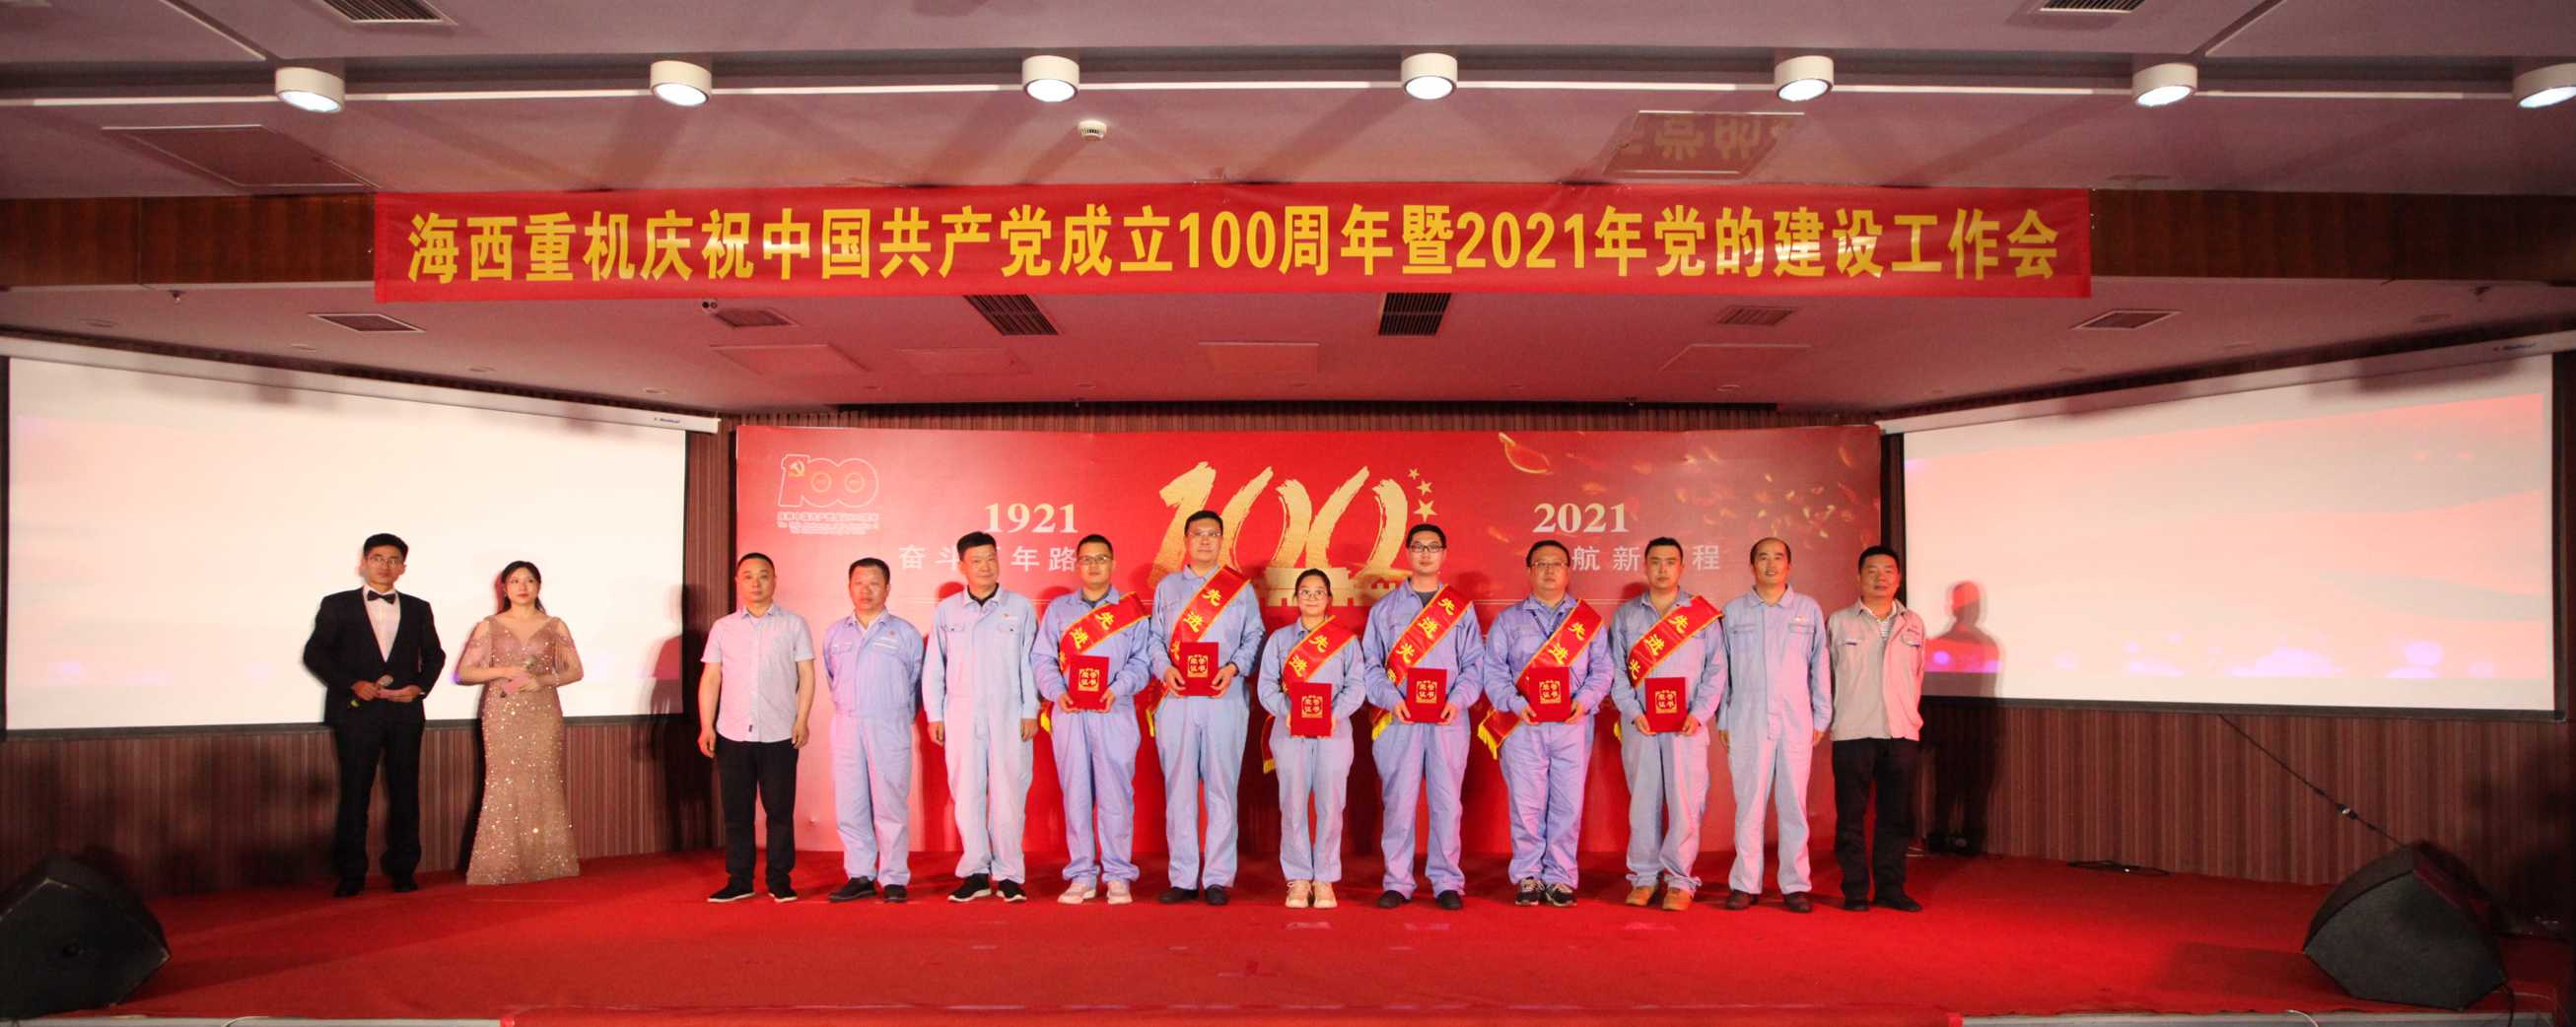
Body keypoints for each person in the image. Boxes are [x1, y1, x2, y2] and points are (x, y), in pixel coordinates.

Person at [302, 532, 446, 898]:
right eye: (378, 558)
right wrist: (352, 683)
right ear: (364, 563)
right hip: (356, 714)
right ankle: (351, 874)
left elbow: (435, 655)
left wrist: (419, 687)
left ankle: (404, 871)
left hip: (404, 712)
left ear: (403, 568)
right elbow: (315, 653)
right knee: (354, 794)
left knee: (405, 793)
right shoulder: (337, 604)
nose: (385, 565)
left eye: (393, 560)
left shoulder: (419, 607)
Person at [1358, 523, 1491, 911]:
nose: (1426, 553)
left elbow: (1475, 664)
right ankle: (1397, 881)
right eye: (1418, 546)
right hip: (1399, 718)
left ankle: (1447, 880)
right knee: (1399, 802)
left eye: (1433, 547)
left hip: (1448, 718)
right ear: (1408, 553)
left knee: (1447, 802)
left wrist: (1459, 700)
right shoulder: (1385, 609)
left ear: (1444, 553)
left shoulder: (1460, 608)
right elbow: (1370, 665)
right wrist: (1390, 698)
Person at [1480, 539, 1613, 908]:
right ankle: (1529, 875)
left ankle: (1560, 876)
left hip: (1572, 724)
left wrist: (1584, 701)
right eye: (1541, 564)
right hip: (1524, 725)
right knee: (1527, 805)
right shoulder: (1509, 620)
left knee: (1568, 805)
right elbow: (1493, 671)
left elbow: (1603, 669)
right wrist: (1515, 703)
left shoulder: (1588, 622)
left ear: (1569, 570)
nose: (1550, 570)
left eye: (1557, 564)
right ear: (1529, 571)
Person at [1145, 511, 1265, 906]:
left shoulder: (1238, 588)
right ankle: (1183, 876)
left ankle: (1216, 876)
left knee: (1221, 789)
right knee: (1179, 789)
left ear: (1222, 541)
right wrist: (1164, 669)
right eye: (1198, 533)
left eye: (1213, 534)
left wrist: (1235, 668)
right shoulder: (1167, 587)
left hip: (1223, 697)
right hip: (1177, 699)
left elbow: (1254, 635)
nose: (1205, 540)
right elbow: (1153, 639)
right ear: (1185, 540)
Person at [1030, 534, 1153, 905]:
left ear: (1113, 563)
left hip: (1114, 711)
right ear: (1077, 565)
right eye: (1086, 559)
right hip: (1070, 713)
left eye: (1101, 558)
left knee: (1116, 796)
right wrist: (1057, 692)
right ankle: (1081, 874)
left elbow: (1142, 661)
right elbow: (1042, 658)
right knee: (1077, 795)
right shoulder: (1059, 609)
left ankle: (1118, 874)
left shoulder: (1131, 610)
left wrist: (1117, 688)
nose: (1094, 565)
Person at [1605, 536, 1727, 912]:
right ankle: (1644, 877)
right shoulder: (1626, 615)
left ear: (1682, 567)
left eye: (1670, 561)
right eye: (1655, 561)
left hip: (1686, 726)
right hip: (1641, 725)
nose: (1662, 569)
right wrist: (1633, 711)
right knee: (1643, 802)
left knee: (1685, 803)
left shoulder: (1700, 615)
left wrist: (1699, 713)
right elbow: (1615, 671)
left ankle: (1679, 879)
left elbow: (1716, 670)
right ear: (1644, 566)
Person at [924, 531, 1041, 903]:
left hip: (1009, 714)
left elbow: (1030, 662)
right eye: (976, 561)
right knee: (967, 794)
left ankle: (1009, 874)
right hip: (960, 714)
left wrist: (1030, 710)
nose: (985, 566)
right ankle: (975, 872)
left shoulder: (1019, 606)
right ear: (962, 566)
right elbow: (934, 666)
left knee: (1009, 796)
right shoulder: (948, 611)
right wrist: (935, 713)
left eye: (991, 558)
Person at [1717, 537, 1833, 913]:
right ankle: (1744, 883)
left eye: (1778, 557)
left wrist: (1821, 715)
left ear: (1789, 565)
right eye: (1763, 558)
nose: (1771, 564)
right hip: (1747, 719)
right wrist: (1724, 718)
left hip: (1796, 719)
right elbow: (1722, 671)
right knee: (1749, 805)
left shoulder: (1807, 609)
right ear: (1751, 566)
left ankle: (1795, 884)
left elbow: (1820, 665)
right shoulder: (1733, 611)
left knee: (1793, 805)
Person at [696, 553, 816, 903]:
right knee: (737, 814)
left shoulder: (794, 624)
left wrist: (801, 719)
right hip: (732, 733)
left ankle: (779, 879)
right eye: (748, 576)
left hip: (779, 733)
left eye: (763, 575)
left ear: (774, 580)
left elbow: (807, 674)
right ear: (738, 583)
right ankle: (740, 880)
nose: (756, 582)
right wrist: (707, 726)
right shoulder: (723, 627)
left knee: (779, 813)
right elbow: (711, 678)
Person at [454, 560, 583, 886]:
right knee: (504, 781)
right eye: (514, 581)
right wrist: (504, 671)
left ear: (539, 586)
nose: (522, 587)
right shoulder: (489, 625)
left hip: (543, 710)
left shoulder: (555, 625)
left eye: (529, 580)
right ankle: (500, 863)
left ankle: (547, 861)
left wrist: (543, 680)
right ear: (504, 588)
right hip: (502, 711)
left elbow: (575, 670)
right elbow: (465, 672)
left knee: (543, 778)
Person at [1256, 568, 1366, 910]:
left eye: (1319, 592)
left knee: (1331, 805)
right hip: (1290, 731)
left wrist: (1336, 713)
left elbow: (1357, 685)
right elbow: (1266, 685)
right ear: (1296, 597)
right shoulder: (1279, 640)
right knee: (1292, 805)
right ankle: (1299, 877)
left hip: (1334, 731)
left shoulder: (1345, 640)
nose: (1312, 598)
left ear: (1329, 598)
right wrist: (1285, 710)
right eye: (1305, 591)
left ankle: (1325, 878)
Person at [1828, 545, 1928, 913]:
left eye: (1888, 570)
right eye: (1872, 570)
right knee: (1850, 817)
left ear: (1898, 578)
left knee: (1895, 817)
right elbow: (1828, 676)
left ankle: (1890, 888)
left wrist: (1909, 716)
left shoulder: (1913, 623)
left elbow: (1918, 674)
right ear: (1859, 577)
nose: (1880, 577)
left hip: (1901, 732)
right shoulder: (1839, 622)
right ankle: (1855, 889)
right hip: (1853, 732)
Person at [820, 557, 924, 905]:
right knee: (850, 804)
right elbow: (832, 676)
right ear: (849, 587)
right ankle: (860, 875)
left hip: (889, 725)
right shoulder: (835, 633)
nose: (866, 590)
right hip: (846, 725)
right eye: (859, 583)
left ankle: (893, 877)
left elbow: (916, 683)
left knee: (890, 805)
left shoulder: (905, 633)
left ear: (888, 588)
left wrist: (895, 716)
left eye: (874, 583)